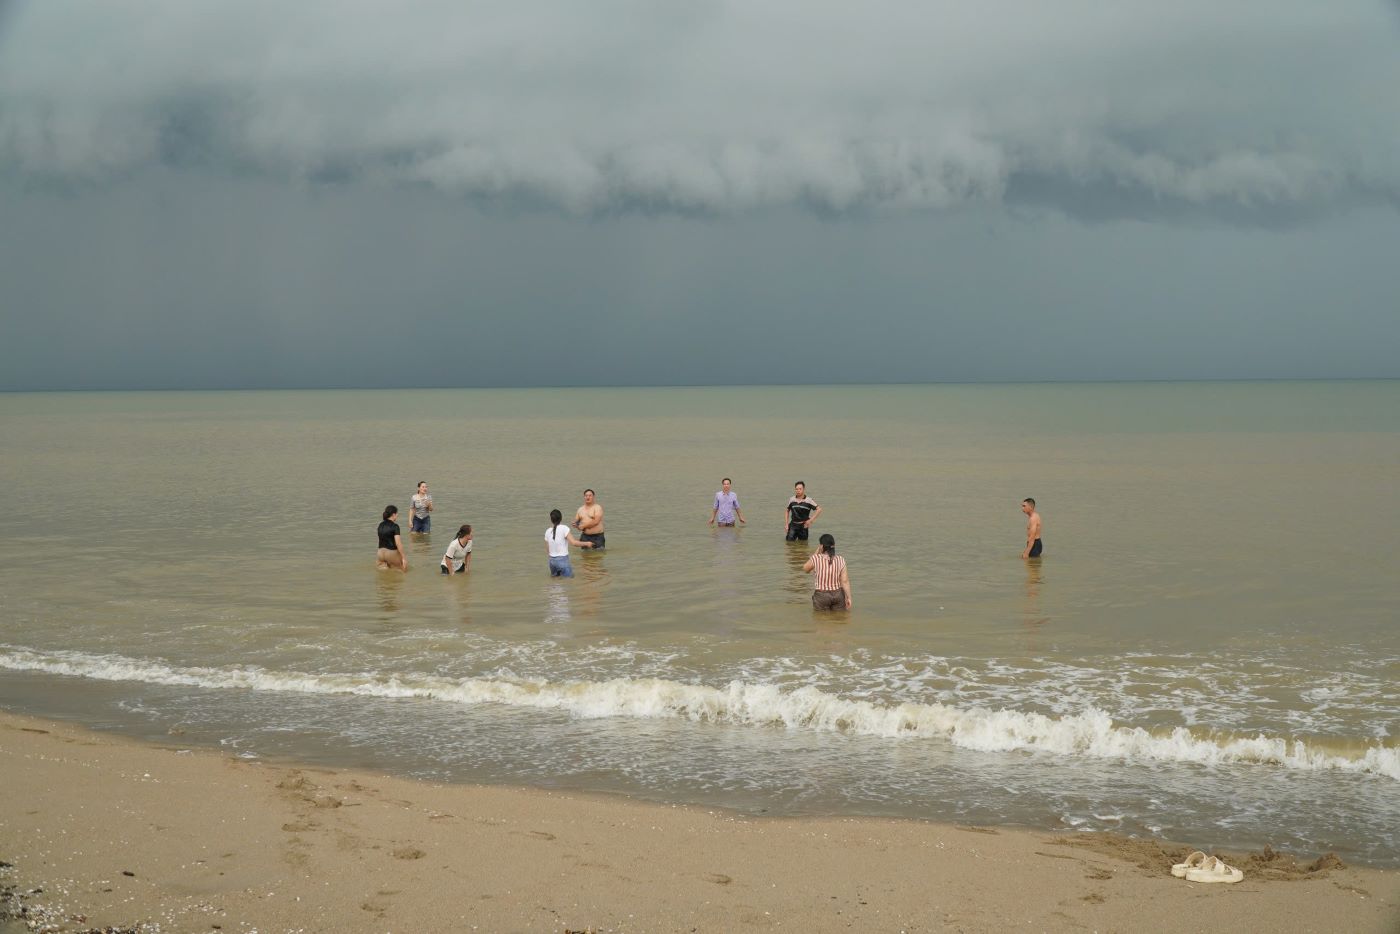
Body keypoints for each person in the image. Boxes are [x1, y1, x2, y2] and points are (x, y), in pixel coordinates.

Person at [803, 533, 851, 610]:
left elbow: (805, 569)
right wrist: (848, 597)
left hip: (821, 596)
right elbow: (844, 581)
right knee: (839, 620)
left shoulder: (816, 559)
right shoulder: (841, 559)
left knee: (821, 620)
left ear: (821, 546)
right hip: (838, 595)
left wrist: (817, 552)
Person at [547, 508, 594, 577]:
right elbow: (574, 543)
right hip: (562, 560)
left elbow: (548, 549)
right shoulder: (564, 528)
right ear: (561, 518)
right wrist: (587, 543)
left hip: (551, 561)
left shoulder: (548, 531)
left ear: (551, 520)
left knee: (555, 581)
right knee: (569, 581)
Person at [376, 505, 407, 572]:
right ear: (393, 514)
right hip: (391, 553)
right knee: (402, 571)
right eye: (396, 513)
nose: (397, 515)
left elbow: (379, 540)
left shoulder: (380, 525)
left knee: (384, 574)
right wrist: (403, 557)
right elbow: (398, 543)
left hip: (380, 552)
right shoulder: (395, 526)